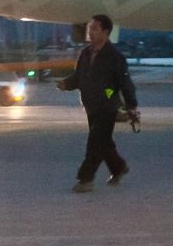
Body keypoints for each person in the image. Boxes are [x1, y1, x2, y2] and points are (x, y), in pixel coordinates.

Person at [58, 13, 139, 192]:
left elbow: (124, 83)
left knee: (94, 143)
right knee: (103, 142)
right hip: (91, 106)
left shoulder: (115, 57)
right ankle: (118, 167)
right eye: (90, 28)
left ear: (106, 32)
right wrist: (66, 84)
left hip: (107, 106)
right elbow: (79, 77)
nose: (91, 32)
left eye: (95, 29)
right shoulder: (86, 53)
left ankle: (85, 179)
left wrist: (131, 106)